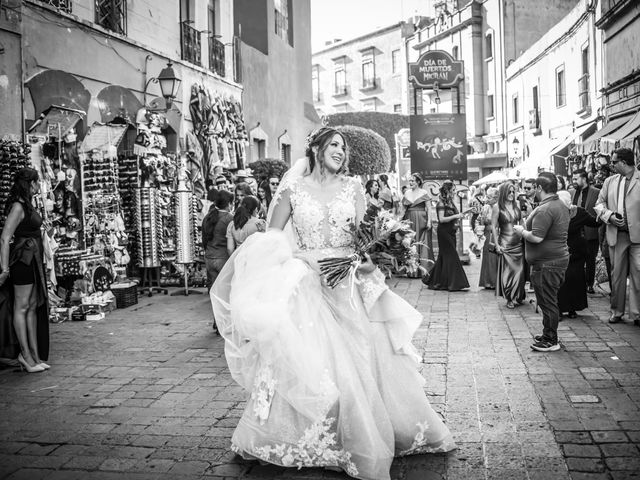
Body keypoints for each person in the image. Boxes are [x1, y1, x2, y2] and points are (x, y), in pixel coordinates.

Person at [210, 127, 455, 479]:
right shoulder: (292, 190)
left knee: (361, 359)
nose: (341, 151)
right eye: (334, 145)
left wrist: (369, 262)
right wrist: (301, 261)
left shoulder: (353, 188)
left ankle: (363, 431)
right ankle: (314, 436)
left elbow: (364, 241)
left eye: (344, 147)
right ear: (316, 147)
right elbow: (273, 241)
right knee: (310, 361)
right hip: (307, 284)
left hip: (347, 284)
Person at [0, 168, 50, 373]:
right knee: (22, 307)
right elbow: (4, 238)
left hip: (31, 260)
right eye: (37, 182)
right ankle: (25, 356)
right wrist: (4, 269)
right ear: (28, 183)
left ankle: (34, 356)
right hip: (22, 260)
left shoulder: (26, 204)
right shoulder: (18, 207)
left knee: (30, 306)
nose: (39, 185)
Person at [515, 172, 570, 352]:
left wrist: (521, 231)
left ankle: (551, 340)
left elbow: (537, 237)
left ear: (539, 188)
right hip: (554, 260)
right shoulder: (559, 204)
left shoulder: (546, 209)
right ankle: (548, 333)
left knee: (547, 302)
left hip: (548, 264)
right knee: (549, 301)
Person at [594, 148, 640, 326]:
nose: (611, 165)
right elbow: (599, 204)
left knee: (638, 275)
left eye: (613, 162)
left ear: (623, 162)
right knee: (617, 276)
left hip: (637, 237)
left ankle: (637, 314)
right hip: (617, 235)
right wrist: (609, 216)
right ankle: (617, 311)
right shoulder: (609, 181)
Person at [556, 191, 599, 318]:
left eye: (568, 201)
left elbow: (594, 222)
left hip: (577, 252)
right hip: (561, 251)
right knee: (561, 280)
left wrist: (603, 214)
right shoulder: (555, 212)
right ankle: (559, 308)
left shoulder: (579, 212)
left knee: (575, 279)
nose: (567, 204)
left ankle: (572, 308)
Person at [424, 180, 470, 291]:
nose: (455, 192)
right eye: (453, 190)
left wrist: (463, 214)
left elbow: (455, 215)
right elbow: (441, 219)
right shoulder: (441, 203)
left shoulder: (451, 203)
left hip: (451, 232)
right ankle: (455, 283)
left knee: (444, 257)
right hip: (444, 233)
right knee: (452, 256)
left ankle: (438, 281)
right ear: (447, 191)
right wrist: (456, 216)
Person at [492, 182, 526, 308]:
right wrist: (497, 245)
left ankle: (518, 295)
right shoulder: (497, 207)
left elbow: (522, 221)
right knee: (508, 272)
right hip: (505, 243)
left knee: (520, 271)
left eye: (513, 192)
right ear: (504, 192)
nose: (512, 194)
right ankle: (509, 298)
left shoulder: (516, 206)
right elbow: (494, 227)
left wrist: (525, 234)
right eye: (509, 192)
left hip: (518, 242)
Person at [571, 168, 600, 294]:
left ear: (584, 179)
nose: (574, 181)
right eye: (573, 179)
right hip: (575, 233)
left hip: (590, 231)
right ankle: (579, 284)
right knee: (576, 260)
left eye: (576, 179)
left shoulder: (596, 192)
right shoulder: (571, 192)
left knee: (590, 259)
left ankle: (589, 284)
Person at [202, 191, 234, 291]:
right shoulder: (230, 218)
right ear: (229, 204)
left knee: (214, 290)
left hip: (209, 257)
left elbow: (204, 239)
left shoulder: (207, 217)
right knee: (225, 291)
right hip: (223, 258)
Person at [402, 174, 433, 270]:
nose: (410, 182)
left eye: (413, 181)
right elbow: (403, 209)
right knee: (409, 241)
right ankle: (411, 269)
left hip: (421, 219)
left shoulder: (423, 192)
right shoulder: (407, 193)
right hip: (409, 219)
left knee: (421, 241)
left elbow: (429, 208)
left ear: (418, 182)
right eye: (410, 181)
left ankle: (423, 268)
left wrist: (429, 221)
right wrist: (400, 221)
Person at [478, 187, 499, 289]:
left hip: (496, 234)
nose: (487, 198)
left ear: (496, 198)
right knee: (487, 257)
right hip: (486, 234)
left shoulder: (500, 207)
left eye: (489, 197)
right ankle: (487, 282)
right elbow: (478, 220)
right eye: (487, 196)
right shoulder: (485, 208)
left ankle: (495, 282)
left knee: (495, 258)